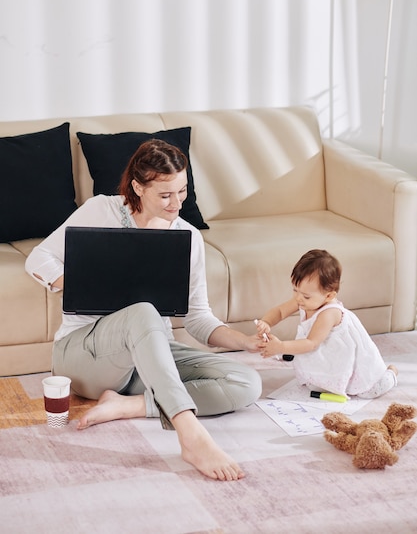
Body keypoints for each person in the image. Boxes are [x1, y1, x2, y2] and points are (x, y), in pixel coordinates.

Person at [25, 138, 263, 482]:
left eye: (182, 192)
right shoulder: (101, 210)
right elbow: (38, 259)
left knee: (246, 381)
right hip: (85, 355)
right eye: (165, 195)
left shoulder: (188, 236)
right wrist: (85, 281)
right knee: (143, 310)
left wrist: (245, 341)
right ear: (138, 187)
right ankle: (190, 434)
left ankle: (128, 406)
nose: (176, 204)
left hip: (148, 356)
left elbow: (197, 317)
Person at [255, 249, 398, 399]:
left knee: (369, 391)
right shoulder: (303, 300)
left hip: (350, 359)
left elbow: (311, 343)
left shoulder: (329, 313)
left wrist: (281, 347)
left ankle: (391, 373)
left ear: (329, 296)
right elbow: (280, 311)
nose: (298, 298)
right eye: (295, 290)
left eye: (305, 296)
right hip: (328, 357)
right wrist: (266, 321)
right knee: (314, 383)